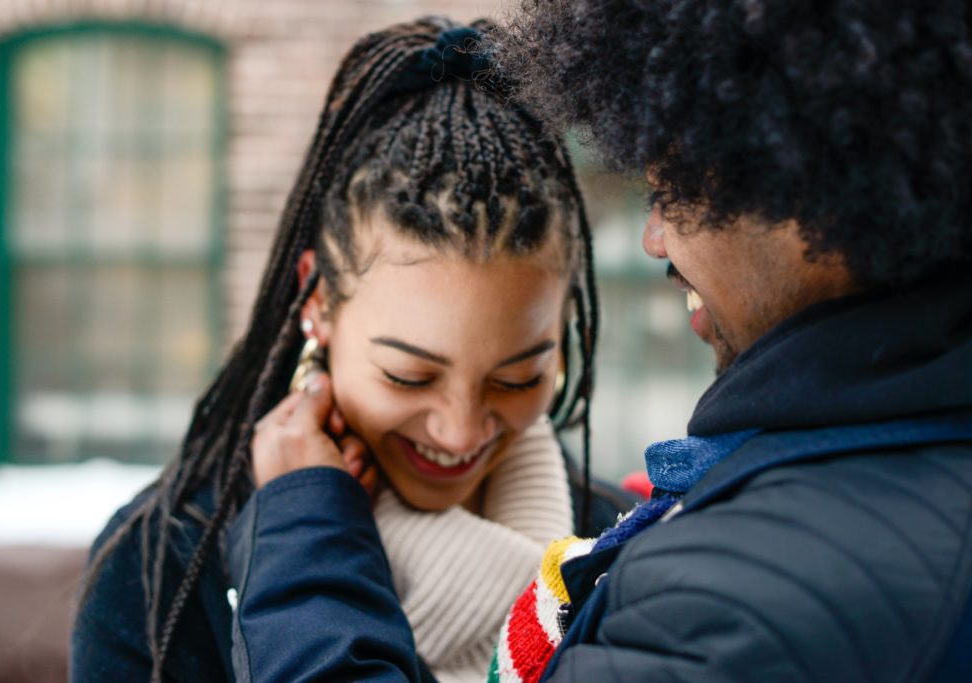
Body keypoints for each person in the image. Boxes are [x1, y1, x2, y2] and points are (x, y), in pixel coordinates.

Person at [225, 1, 972, 681]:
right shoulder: (175, 549)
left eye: (681, 186)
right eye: (409, 374)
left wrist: (302, 541)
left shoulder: (734, 587)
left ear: (813, 191)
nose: (654, 237)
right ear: (317, 302)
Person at [71, 17, 636, 683]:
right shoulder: (169, 561)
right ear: (318, 303)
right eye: (409, 374)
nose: (459, 430)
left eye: (517, 378)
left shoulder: (616, 546)